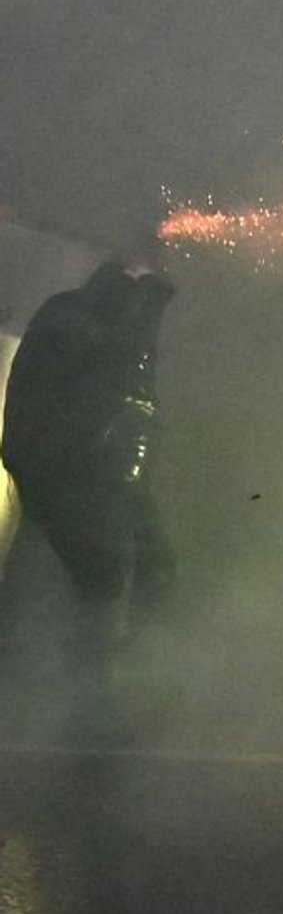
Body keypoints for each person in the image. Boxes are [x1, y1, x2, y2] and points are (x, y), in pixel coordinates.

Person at [0, 260, 176, 682]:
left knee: (139, 572)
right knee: (100, 581)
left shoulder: (80, 318)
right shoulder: (80, 322)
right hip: (78, 480)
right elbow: (115, 376)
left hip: (92, 480)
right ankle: (88, 685)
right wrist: (149, 302)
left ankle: (96, 679)